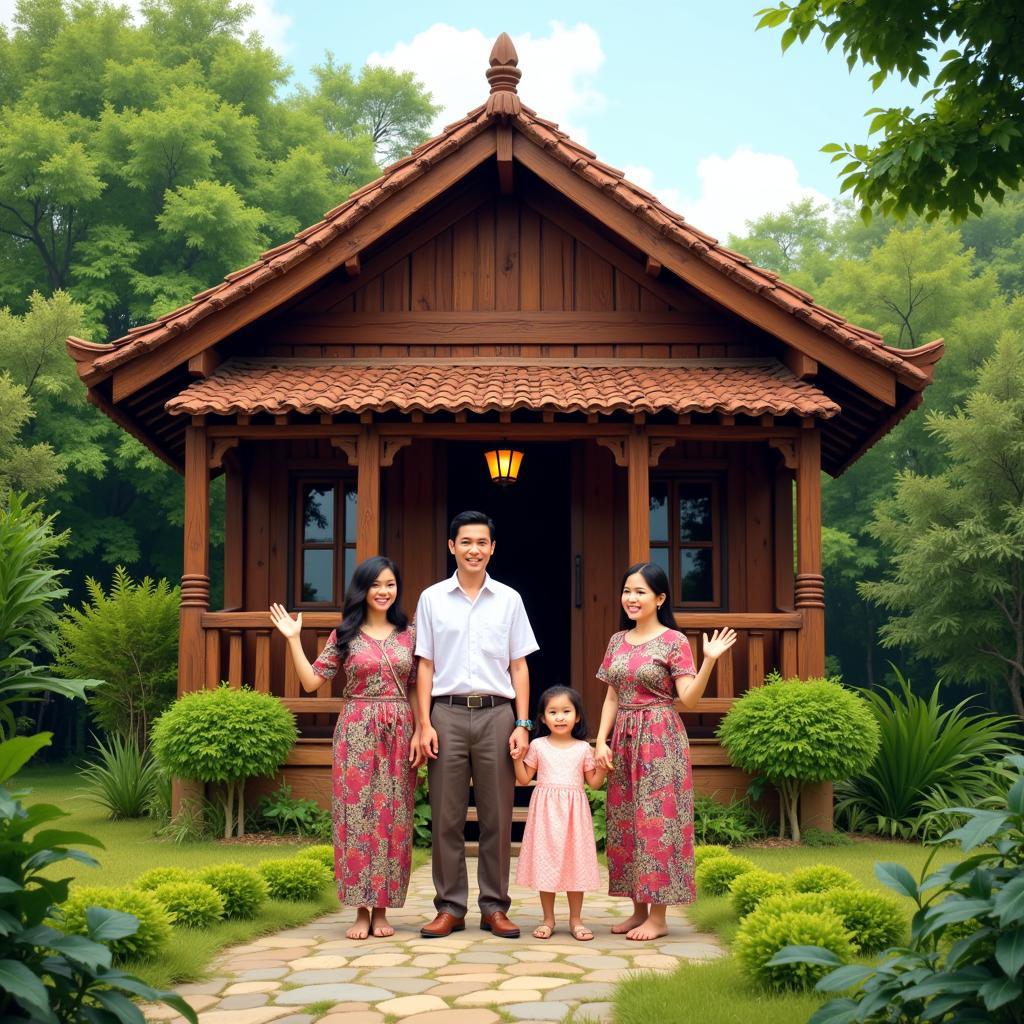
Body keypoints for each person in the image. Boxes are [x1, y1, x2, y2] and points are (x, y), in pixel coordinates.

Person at [269, 555, 418, 940]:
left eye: (390, 584)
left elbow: (419, 686)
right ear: (363, 589)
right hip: (355, 729)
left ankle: (382, 909)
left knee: (393, 818)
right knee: (356, 817)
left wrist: (422, 729)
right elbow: (310, 682)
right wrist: (292, 640)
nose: (384, 591)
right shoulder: (345, 635)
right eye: (376, 585)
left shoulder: (410, 634)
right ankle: (359, 909)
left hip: (400, 729)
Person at [594, 562, 736, 941]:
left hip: (659, 738)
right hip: (623, 737)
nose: (631, 598)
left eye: (640, 592)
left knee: (657, 823)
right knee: (625, 822)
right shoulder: (616, 641)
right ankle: (637, 909)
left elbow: (687, 699)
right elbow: (610, 695)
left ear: (659, 598)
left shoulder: (674, 641)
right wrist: (600, 740)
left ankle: (658, 917)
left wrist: (709, 660)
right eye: (627, 590)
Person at [414, 510, 539, 939]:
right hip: (445, 713)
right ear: (452, 546)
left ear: (492, 548)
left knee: (497, 817)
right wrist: (424, 723)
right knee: (447, 817)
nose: (474, 550)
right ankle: (449, 906)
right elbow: (425, 664)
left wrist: (523, 724)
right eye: (466, 542)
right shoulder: (431, 598)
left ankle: (494, 907)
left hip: (496, 715)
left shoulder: (509, 599)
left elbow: (519, 665)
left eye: (482, 542)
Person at [514, 686, 606, 941]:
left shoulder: (583, 749)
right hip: (545, 815)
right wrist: (516, 758)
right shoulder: (537, 746)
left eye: (566, 711)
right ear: (543, 718)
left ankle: (576, 919)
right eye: (553, 712)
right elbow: (523, 779)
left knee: (575, 864)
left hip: (574, 816)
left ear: (577, 716)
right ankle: (548, 919)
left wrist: (604, 765)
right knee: (547, 863)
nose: (560, 717)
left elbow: (594, 783)